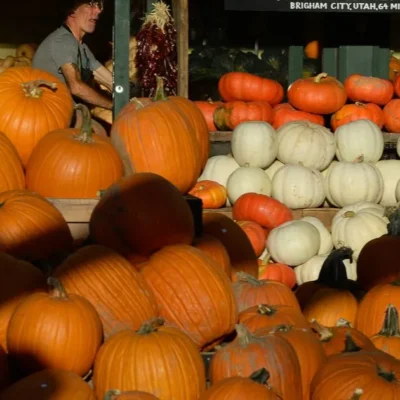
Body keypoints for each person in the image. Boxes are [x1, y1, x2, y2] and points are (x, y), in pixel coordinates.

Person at [32, 0, 113, 110]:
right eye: (90, 4)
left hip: (65, 111)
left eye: (98, 6)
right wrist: (113, 106)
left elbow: (107, 79)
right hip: (50, 113)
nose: (98, 11)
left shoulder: (81, 47)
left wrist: (131, 95)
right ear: (71, 11)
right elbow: (76, 87)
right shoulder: (64, 41)